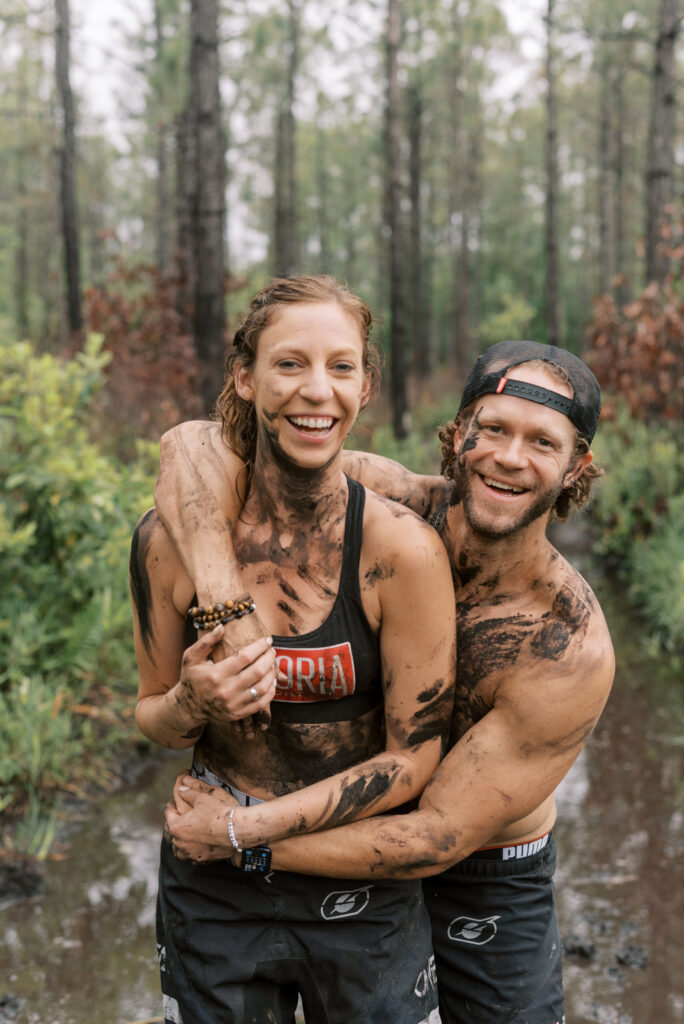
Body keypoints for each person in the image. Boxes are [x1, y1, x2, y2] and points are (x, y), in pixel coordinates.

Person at [159, 339, 615, 1024]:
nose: (509, 457)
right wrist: (229, 605)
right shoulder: (385, 506)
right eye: (492, 429)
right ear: (459, 434)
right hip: (344, 823)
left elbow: (436, 835)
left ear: (576, 466)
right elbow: (193, 446)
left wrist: (238, 839)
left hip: (482, 871)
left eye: (542, 442)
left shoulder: (568, 645)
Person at [130, 274, 457, 1024]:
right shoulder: (168, 544)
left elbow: (413, 759)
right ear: (243, 378)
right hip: (212, 882)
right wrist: (190, 701)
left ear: (366, 385)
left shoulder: (400, 551)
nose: (317, 391)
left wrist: (247, 833)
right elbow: (151, 716)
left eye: (341, 367)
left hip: (357, 878)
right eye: (289, 364)